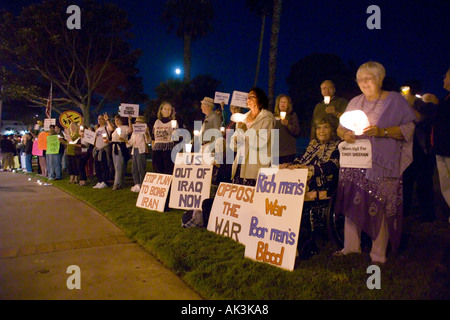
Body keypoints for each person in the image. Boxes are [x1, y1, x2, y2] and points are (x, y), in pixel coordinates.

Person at [333, 61, 416, 264]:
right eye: (360, 79)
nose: (363, 83)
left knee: (380, 203)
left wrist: (383, 132)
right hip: (356, 160)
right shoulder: (354, 102)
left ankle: (378, 254)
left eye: (368, 79)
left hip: (382, 164)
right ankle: (351, 247)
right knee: (353, 202)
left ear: (379, 79)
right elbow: (339, 128)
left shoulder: (394, 100)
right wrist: (345, 134)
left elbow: (409, 128)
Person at [280, 114, 341, 198]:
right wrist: (289, 165)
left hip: (324, 191)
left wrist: (308, 169)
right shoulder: (313, 144)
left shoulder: (338, 145)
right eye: (318, 128)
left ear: (333, 130)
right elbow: (300, 160)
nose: (321, 131)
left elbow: (332, 166)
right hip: (303, 188)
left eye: (326, 127)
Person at [401, 84, 436, 222]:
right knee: (406, 180)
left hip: (423, 148)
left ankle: (427, 213)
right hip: (408, 147)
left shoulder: (425, 104)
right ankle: (405, 209)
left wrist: (409, 104)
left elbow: (420, 119)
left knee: (424, 182)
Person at [230, 87, 276, 186]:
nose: (249, 99)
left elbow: (261, 142)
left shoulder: (267, 119)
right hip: (240, 164)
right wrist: (236, 140)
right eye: (248, 97)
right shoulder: (243, 118)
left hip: (254, 167)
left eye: (253, 96)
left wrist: (246, 131)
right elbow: (234, 146)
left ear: (261, 101)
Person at [430, 67, 450, 212]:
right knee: (445, 184)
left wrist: (437, 103)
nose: (444, 78)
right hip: (440, 148)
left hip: (448, 148)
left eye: (446, 75)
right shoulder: (445, 98)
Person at [151, 102, 177, 175]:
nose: (167, 111)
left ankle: (168, 186)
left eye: (169, 109)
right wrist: (153, 149)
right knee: (157, 170)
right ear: (161, 110)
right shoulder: (157, 122)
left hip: (168, 149)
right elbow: (153, 137)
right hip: (157, 149)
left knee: (167, 170)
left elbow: (176, 138)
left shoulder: (173, 122)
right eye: (165, 109)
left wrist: (175, 132)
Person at [126, 116, 151, 192]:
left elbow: (148, 140)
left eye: (139, 122)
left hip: (141, 150)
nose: (137, 123)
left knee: (141, 168)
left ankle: (142, 184)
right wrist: (125, 140)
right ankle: (136, 184)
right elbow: (131, 141)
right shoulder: (134, 132)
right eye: (136, 122)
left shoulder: (144, 131)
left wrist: (146, 133)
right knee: (134, 168)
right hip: (135, 150)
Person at [273, 94, 300, 164]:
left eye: (285, 102)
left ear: (288, 105)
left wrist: (287, 125)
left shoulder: (292, 116)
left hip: (287, 153)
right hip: (275, 153)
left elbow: (297, 132)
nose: (283, 103)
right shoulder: (272, 117)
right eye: (281, 102)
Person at [106, 114, 131, 190]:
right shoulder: (116, 129)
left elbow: (130, 130)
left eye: (118, 120)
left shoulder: (125, 127)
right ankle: (121, 182)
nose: (116, 122)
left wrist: (129, 120)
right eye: (115, 120)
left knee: (118, 166)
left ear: (121, 121)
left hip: (121, 148)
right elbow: (111, 130)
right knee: (117, 166)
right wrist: (109, 141)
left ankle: (116, 184)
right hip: (114, 148)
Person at [92, 114, 112, 189]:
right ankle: (99, 180)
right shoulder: (98, 129)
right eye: (98, 119)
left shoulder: (106, 127)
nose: (99, 120)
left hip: (103, 149)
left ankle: (105, 181)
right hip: (97, 149)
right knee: (97, 166)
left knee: (104, 165)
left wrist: (107, 120)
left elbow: (111, 129)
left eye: (101, 119)